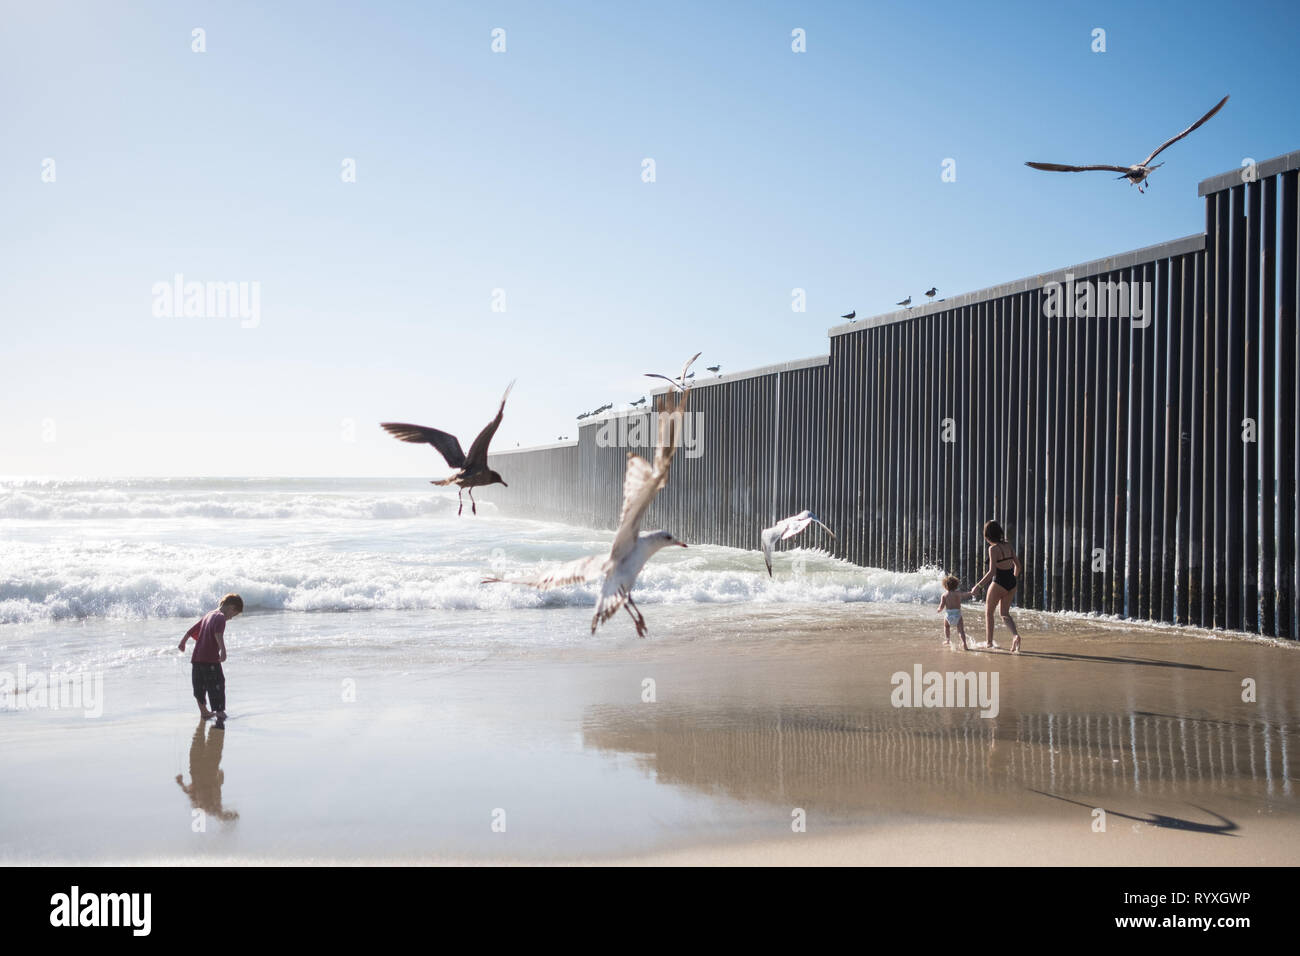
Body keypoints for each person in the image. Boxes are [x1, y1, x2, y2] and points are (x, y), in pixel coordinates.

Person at [179, 593, 242, 719]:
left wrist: (183, 642)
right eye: (233, 615)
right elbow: (218, 634)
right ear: (231, 608)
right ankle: (219, 711)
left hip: (197, 658)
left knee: (199, 686)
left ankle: (204, 712)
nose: (230, 618)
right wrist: (223, 650)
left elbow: (192, 630)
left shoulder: (209, 614)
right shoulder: (220, 617)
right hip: (210, 659)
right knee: (217, 684)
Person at [973, 521, 1021, 652]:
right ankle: (1015, 635)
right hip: (1011, 582)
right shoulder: (1008, 545)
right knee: (1005, 614)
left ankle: (989, 643)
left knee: (989, 613)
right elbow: (1018, 566)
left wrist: (978, 586)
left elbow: (992, 572)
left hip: (999, 582)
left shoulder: (993, 549)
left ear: (987, 536)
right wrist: (1013, 579)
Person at [936, 575, 974, 650]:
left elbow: (941, 606)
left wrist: (939, 609)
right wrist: (971, 593)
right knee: (961, 631)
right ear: (956, 585)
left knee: (946, 627)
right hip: (957, 614)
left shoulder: (944, 595)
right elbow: (965, 595)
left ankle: (947, 640)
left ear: (945, 586)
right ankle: (964, 643)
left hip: (948, 615)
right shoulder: (958, 593)